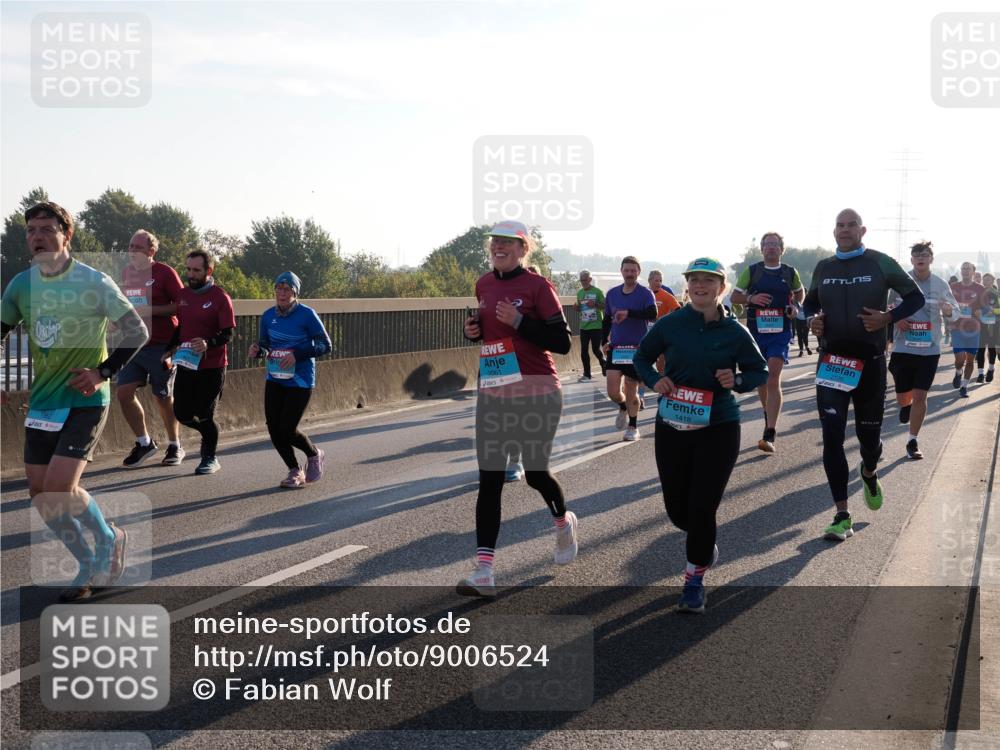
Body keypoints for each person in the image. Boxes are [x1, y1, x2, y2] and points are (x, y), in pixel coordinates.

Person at [0, 202, 148, 601]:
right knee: (39, 493)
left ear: (67, 235)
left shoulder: (93, 281)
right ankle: (88, 559)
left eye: (46, 229)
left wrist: (102, 372)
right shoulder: (21, 286)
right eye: (31, 230)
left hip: (86, 399)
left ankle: (106, 541)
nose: (37, 237)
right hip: (44, 401)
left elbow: (137, 331)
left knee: (60, 488)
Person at [635, 257, 767, 613]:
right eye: (694, 280)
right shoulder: (671, 323)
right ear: (687, 285)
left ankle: (693, 581)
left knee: (703, 506)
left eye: (708, 280)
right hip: (673, 424)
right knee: (678, 510)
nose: (700, 286)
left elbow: (759, 370)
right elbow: (641, 358)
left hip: (719, 426)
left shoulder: (735, 332)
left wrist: (737, 380)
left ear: (721, 288)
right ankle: (703, 544)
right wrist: (655, 380)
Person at [457, 220, 575, 597]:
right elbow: (489, 332)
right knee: (490, 479)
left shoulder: (539, 287)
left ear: (524, 249)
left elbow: (562, 342)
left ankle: (563, 523)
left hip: (538, 390)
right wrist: (472, 332)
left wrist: (521, 321)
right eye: (495, 241)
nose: (499, 247)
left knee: (536, 474)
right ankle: (484, 572)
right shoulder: (483, 284)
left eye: (508, 242)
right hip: (495, 391)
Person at [804, 209, 924, 541]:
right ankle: (842, 515)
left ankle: (869, 471)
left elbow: (915, 297)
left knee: (869, 442)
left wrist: (888, 317)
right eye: (840, 225)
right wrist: (812, 319)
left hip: (870, 364)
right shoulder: (824, 267)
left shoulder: (879, 262)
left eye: (851, 225)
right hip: (832, 361)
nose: (845, 230)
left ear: (862, 230)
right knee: (832, 436)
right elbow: (808, 303)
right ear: (834, 231)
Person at [248, 272, 331, 488]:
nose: (282, 293)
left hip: (300, 380)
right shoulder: (268, 316)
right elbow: (265, 345)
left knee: (287, 429)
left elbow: (325, 345)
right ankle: (295, 470)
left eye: (287, 290)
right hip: (275, 377)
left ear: (295, 293)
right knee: (273, 429)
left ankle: (313, 453)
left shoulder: (307, 314)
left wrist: (297, 354)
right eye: (279, 289)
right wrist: (258, 351)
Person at [116, 230, 186, 467]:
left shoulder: (165, 272)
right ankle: (144, 442)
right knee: (123, 393)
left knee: (163, 396)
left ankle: (175, 445)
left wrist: (152, 310)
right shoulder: (127, 272)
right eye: (130, 246)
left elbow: (182, 304)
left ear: (151, 251)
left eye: (138, 247)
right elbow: (127, 303)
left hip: (161, 344)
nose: (132, 251)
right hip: (134, 345)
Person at [730, 231, 804, 454]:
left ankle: (770, 431)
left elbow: (800, 292)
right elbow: (734, 297)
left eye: (775, 244)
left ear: (782, 249)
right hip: (756, 331)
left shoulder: (790, 272)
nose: (771, 247)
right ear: (762, 249)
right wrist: (751, 298)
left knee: (772, 377)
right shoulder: (753, 271)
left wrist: (795, 307)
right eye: (767, 244)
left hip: (780, 331)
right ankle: (767, 415)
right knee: (762, 379)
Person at [163, 250, 236, 475]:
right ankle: (209, 431)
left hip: (212, 366)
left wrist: (208, 343)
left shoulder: (220, 297)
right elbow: (181, 327)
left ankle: (209, 458)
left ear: (208, 271)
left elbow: (228, 334)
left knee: (205, 413)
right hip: (187, 364)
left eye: (196, 270)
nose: (191, 274)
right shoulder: (183, 295)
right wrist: (168, 349)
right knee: (182, 413)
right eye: (188, 269)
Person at [888, 242, 959, 460]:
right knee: (903, 395)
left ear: (931, 259)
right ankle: (904, 405)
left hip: (929, 349)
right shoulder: (900, 283)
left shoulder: (940, 284)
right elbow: (888, 309)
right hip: (903, 347)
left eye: (925, 255)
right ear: (911, 259)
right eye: (916, 255)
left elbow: (955, 311)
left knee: (921, 395)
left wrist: (949, 311)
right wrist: (897, 319)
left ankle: (912, 440)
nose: (920, 258)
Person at [601, 256, 656, 441]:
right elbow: (606, 320)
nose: (630, 274)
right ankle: (623, 406)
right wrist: (604, 341)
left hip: (636, 350)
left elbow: (653, 313)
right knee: (613, 392)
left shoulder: (645, 293)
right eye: (627, 270)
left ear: (638, 272)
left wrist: (629, 313)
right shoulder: (612, 294)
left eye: (633, 270)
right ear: (621, 271)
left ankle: (633, 426)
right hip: (616, 348)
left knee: (631, 388)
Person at [949, 262, 984, 398]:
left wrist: (981, 312)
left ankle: (964, 386)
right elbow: (946, 303)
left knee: (970, 360)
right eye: (963, 268)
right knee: (960, 359)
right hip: (957, 328)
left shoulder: (980, 288)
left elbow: (987, 308)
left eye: (968, 269)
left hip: (973, 329)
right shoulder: (953, 287)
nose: (965, 271)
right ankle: (958, 372)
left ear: (973, 272)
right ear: (961, 271)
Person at [574, 269, 606, 382]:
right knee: (583, 351)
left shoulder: (598, 292)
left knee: (595, 349)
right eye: (581, 280)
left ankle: (604, 363)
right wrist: (576, 308)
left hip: (596, 326)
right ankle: (587, 374)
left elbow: (605, 306)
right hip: (584, 326)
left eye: (585, 280)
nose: (583, 282)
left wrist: (595, 304)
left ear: (590, 279)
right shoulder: (579, 293)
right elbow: (580, 308)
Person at [976, 273, 1000, 383]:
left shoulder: (997, 294)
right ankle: (980, 374)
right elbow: (974, 307)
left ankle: (990, 369)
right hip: (981, 325)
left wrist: (993, 311)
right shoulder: (979, 293)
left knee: (991, 349)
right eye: (984, 279)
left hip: (993, 326)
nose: (986, 282)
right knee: (980, 349)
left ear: (992, 281)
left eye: (988, 280)